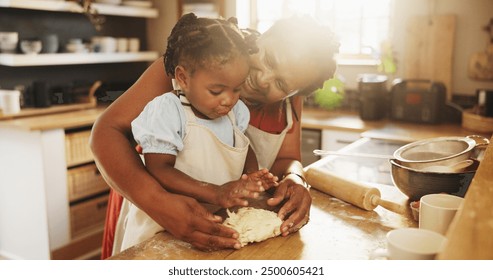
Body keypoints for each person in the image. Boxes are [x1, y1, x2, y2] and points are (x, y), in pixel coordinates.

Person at [90, 14, 339, 258]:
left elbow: (286, 158)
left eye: (282, 85)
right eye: (269, 59)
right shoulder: (198, 61)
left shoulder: (289, 95)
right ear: (261, 38)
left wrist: (295, 179)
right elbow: (106, 132)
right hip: (148, 199)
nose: (263, 80)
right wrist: (158, 202)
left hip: (221, 224)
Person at [113, 13, 278, 253]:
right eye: (216, 90)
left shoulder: (236, 112)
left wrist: (252, 177)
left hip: (208, 222)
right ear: (183, 78)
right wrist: (216, 192)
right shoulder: (168, 111)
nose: (229, 99)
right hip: (161, 227)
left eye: (237, 89)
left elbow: (242, 146)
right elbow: (160, 169)